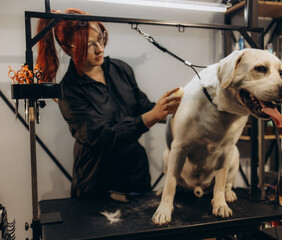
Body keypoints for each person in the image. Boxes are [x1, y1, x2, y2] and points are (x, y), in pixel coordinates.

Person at [36, 9, 181, 198]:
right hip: (98, 185)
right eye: (89, 45)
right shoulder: (68, 92)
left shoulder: (121, 70)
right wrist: (150, 117)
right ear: (68, 49)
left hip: (135, 176)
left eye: (101, 38)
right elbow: (103, 136)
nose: (100, 49)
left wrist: (173, 106)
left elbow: (143, 106)